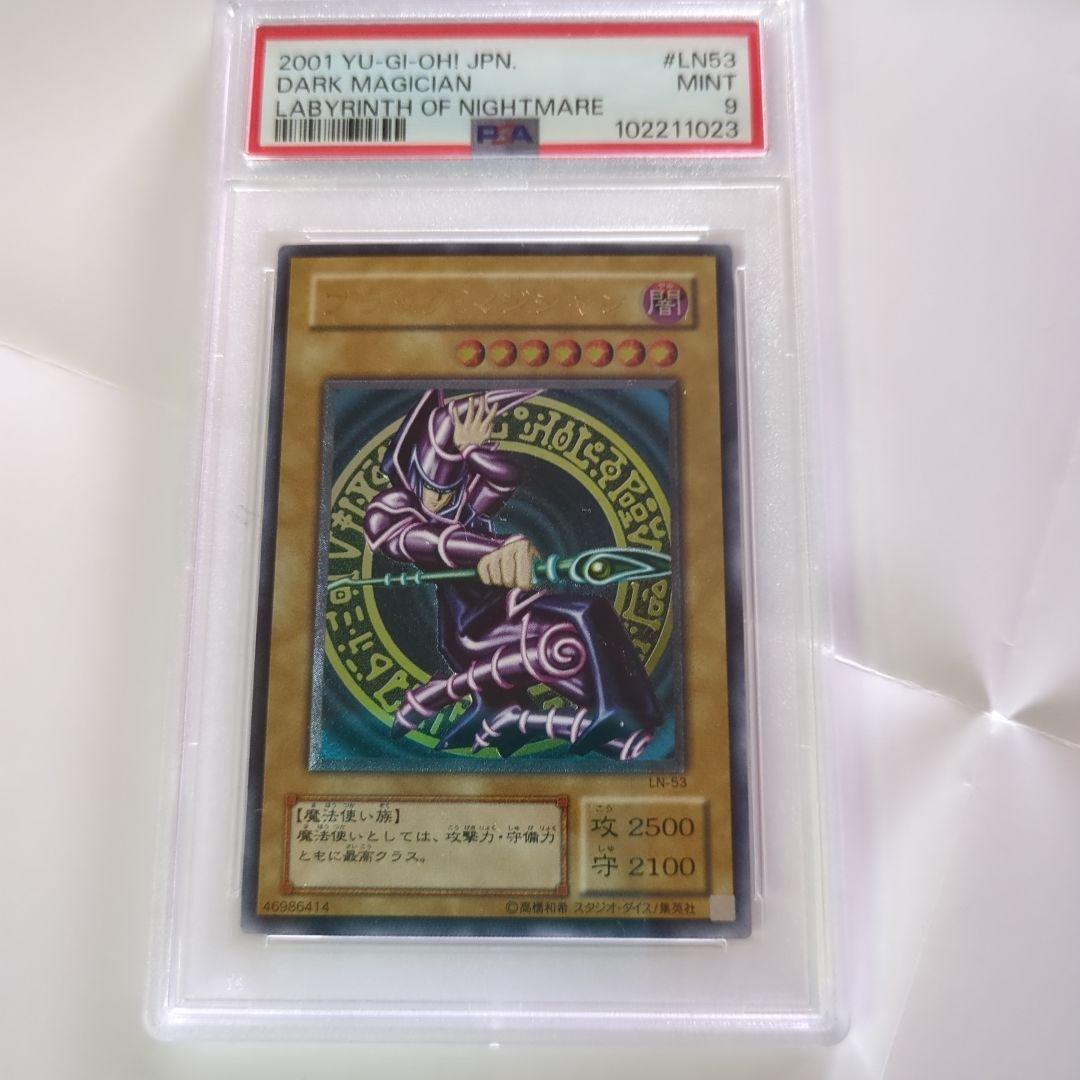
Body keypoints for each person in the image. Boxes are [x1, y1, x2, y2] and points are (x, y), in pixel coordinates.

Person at [363, 389, 661, 759]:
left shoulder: (463, 504)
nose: (438, 500)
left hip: (506, 610)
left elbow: (505, 478)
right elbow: (421, 540)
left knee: (587, 616)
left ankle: (617, 714)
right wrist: (490, 549)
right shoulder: (394, 511)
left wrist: (472, 451)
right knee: (574, 627)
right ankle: (601, 719)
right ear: (413, 476)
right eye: (430, 488)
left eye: (447, 490)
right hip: (472, 630)